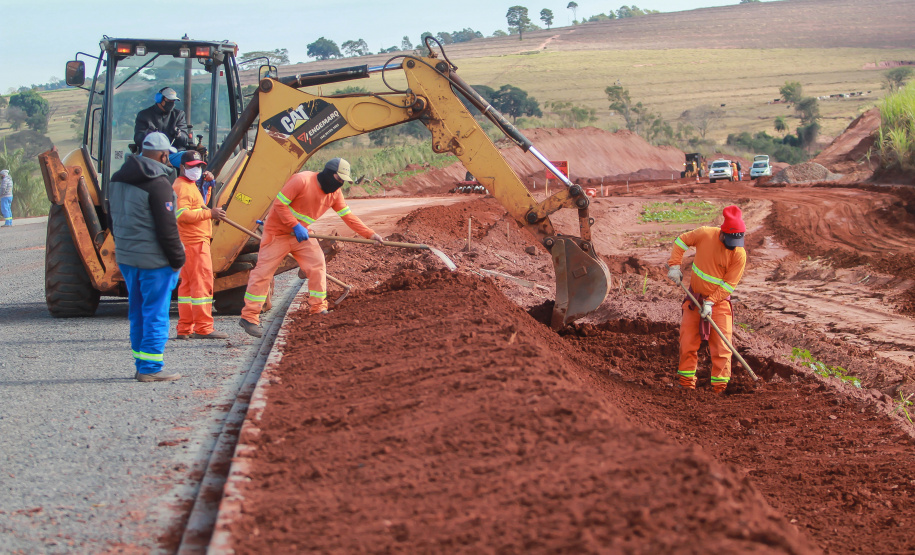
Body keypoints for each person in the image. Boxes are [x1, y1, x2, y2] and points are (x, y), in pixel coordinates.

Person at [238, 158, 384, 338]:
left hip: (302, 234)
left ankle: (318, 309)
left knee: (317, 265)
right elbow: (279, 205)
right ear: (329, 173)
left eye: (343, 181)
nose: (340, 184)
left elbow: (348, 217)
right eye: (339, 179)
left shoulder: (335, 194)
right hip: (277, 233)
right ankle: (249, 317)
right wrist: (294, 225)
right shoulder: (301, 180)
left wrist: (370, 234)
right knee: (263, 273)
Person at [108, 132, 186, 382]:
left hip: (127, 257)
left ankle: (141, 364)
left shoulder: (117, 179)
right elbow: (167, 228)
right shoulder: (158, 183)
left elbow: (112, 218)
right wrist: (177, 260)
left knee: (138, 311)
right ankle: (151, 369)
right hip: (155, 261)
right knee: (156, 312)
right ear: (164, 155)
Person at [666, 205, 747, 393]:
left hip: (719, 304)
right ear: (722, 233)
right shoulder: (705, 234)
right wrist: (675, 266)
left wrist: (710, 302)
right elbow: (681, 241)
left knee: (722, 348)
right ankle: (686, 385)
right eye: (730, 241)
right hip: (694, 301)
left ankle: (719, 388)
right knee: (687, 342)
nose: (733, 246)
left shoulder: (739, 254)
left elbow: (729, 284)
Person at [173, 150, 228, 340]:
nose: (196, 169)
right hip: (195, 243)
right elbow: (182, 215)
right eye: (192, 166)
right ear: (182, 167)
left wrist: (208, 187)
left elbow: (199, 205)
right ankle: (204, 328)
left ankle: (185, 328)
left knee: (187, 288)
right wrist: (210, 214)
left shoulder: (188, 185)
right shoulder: (183, 187)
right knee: (202, 285)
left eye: (199, 166)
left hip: (188, 243)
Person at [134, 87, 192, 151]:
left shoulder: (179, 115)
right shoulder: (144, 115)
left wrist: (179, 135)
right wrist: (148, 134)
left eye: (173, 101)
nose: (171, 103)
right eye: (169, 101)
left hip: (174, 153)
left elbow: (185, 139)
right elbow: (138, 139)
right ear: (159, 99)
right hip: (151, 154)